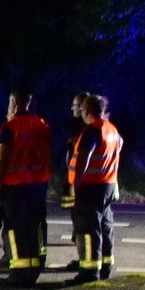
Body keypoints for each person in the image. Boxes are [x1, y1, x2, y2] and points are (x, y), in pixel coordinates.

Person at [0, 88, 51, 288]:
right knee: (34, 227)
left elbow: (1, 158)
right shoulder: (42, 125)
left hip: (15, 185)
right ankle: (34, 268)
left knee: (15, 230)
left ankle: (19, 273)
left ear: (15, 103)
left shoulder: (10, 126)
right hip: (38, 184)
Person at [65, 94, 123, 285]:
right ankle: (105, 267)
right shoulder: (111, 129)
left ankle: (89, 272)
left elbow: (84, 158)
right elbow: (119, 146)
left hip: (90, 186)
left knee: (88, 230)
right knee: (105, 227)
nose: (80, 112)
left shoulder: (92, 130)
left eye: (82, 109)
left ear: (87, 111)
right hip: (107, 185)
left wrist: (76, 184)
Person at [60, 92, 90, 270]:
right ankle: (85, 256)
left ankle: (84, 260)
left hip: (79, 181)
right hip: (76, 178)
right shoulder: (79, 127)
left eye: (75, 105)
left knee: (81, 220)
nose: (72, 108)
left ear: (82, 107)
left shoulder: (84, 129)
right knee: (78, 218)